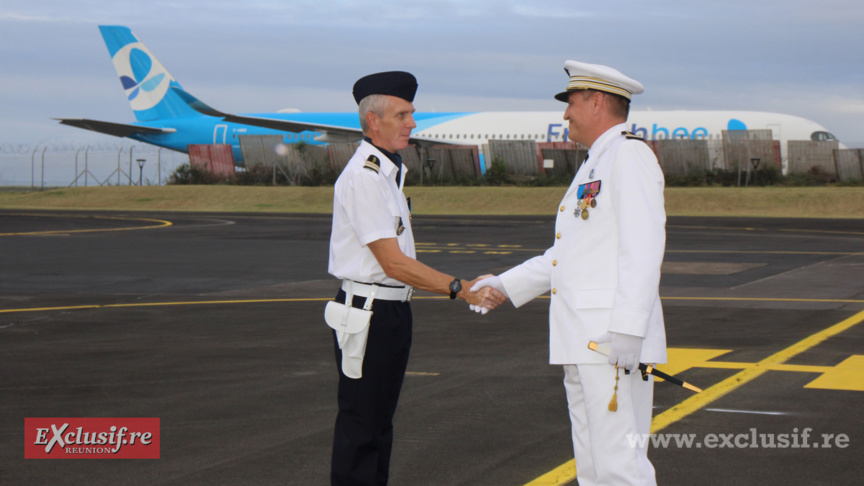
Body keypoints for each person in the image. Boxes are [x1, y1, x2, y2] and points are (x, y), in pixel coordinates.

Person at [472, 60, 667, 485]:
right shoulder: (596, 162)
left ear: (597, 102)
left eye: (572, 103)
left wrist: (631, 329)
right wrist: (504, 283)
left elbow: (644, 247)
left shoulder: (629, 155)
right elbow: (568, 255)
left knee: (620, 464)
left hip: (612, 339)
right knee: (593, 463)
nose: (565, 114)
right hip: (584, 338)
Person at [327, 70, 505, 486]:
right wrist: (459, 289)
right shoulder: (364, 178)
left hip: (389, 312)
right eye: (402, 114)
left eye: (411, 113)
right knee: (362, 427)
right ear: (373, 120)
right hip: (369, 313)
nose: (412, 123)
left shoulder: (387, 174)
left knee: (378, 425)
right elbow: (394, 264)